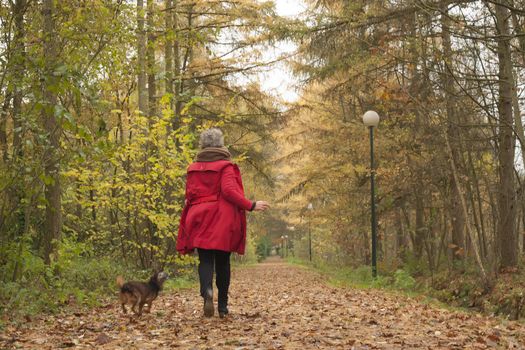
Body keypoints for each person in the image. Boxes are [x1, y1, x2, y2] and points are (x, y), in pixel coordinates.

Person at [176, 128, 270, 318]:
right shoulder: (225, 166)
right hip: (220, 218)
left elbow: (189, 195)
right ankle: (223, 307)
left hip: (198, 217)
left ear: (202, 145)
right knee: (222, 262)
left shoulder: (193, 168)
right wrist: (250, 205)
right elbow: (228, 191)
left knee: (205, 260)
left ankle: (207, 293)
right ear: (220, 144)